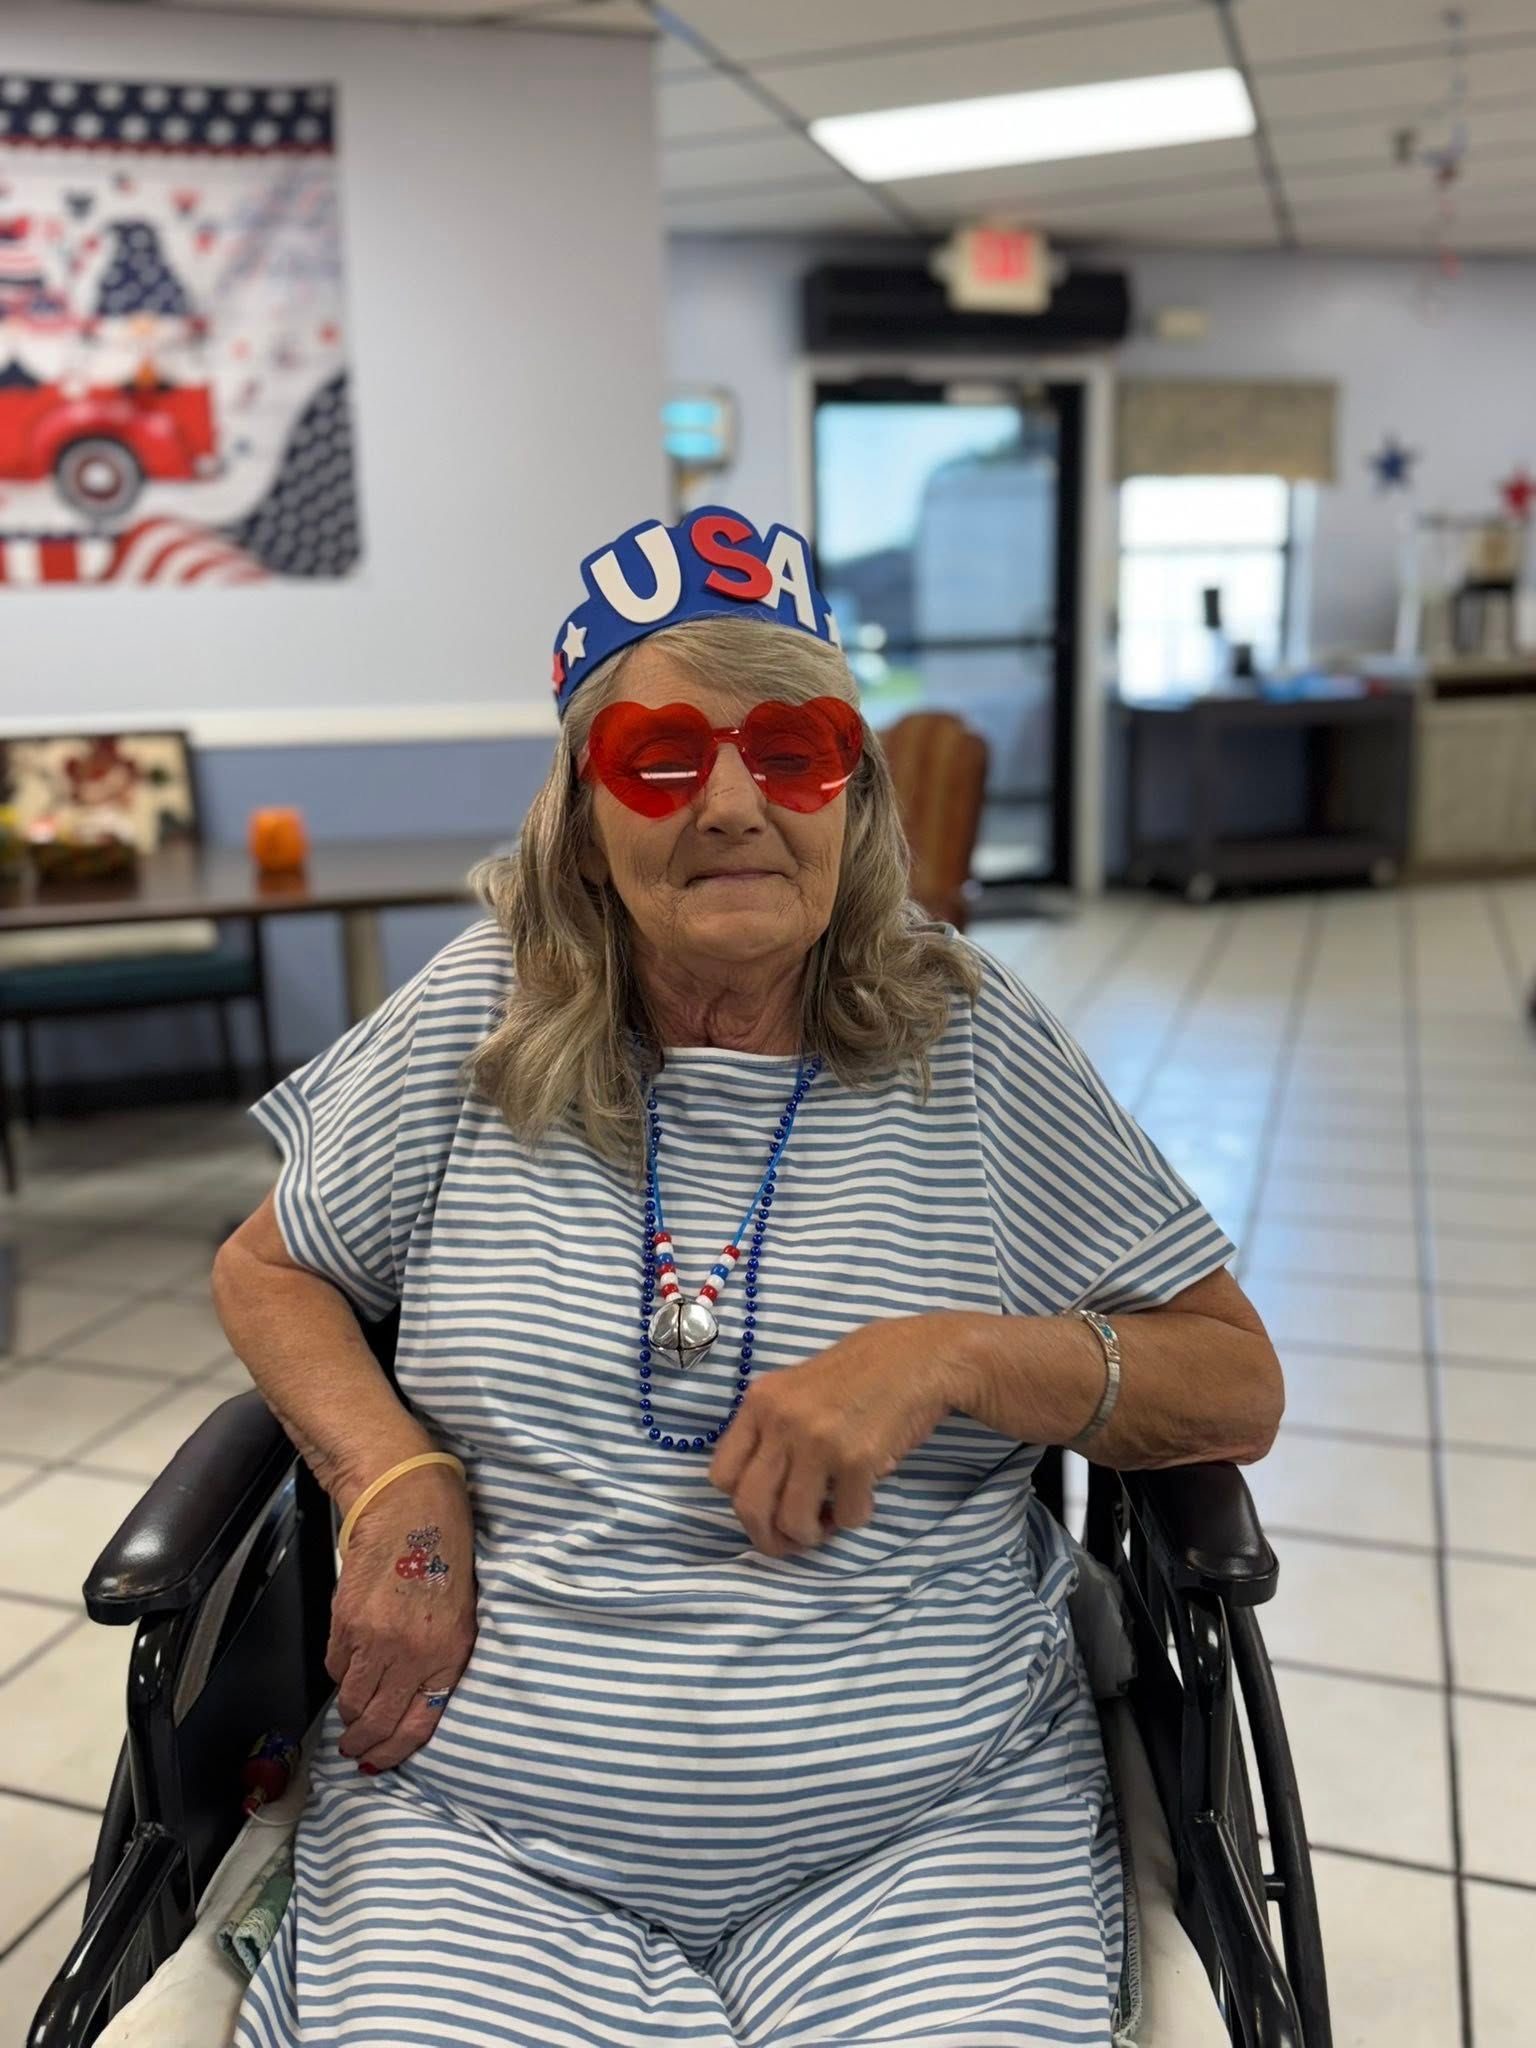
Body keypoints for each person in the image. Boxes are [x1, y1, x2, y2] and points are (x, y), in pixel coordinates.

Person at [214, 505, 1283, 2048]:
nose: (730, 804)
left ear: (850, 795)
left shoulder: (968, 1036)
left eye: (791, 752)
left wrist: (954, 1356)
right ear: (583, 812)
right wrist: (391, 1477)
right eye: (660, 757)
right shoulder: (479, 1015)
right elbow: (270, 1269)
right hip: (485, 1828)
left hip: (929, 1827)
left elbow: (1235, 1381)